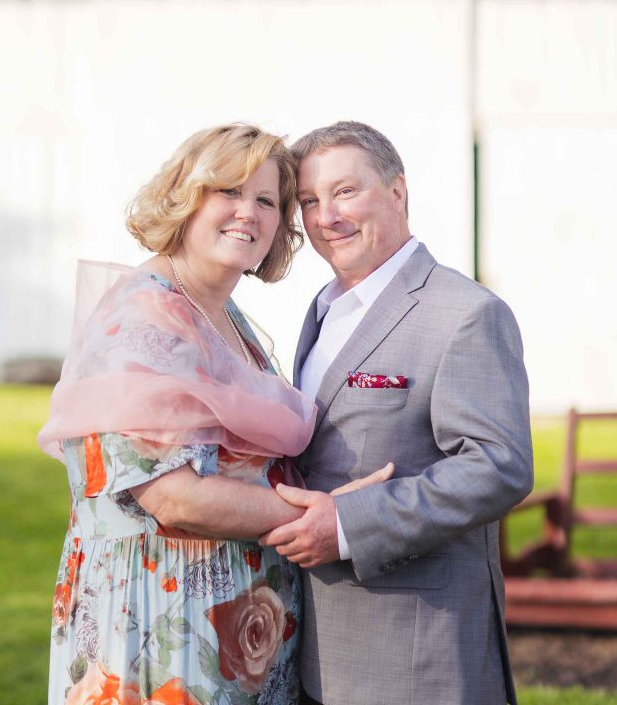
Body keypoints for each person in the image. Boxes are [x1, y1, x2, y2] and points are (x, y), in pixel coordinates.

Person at [38, 123, 392, 705]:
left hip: (233, 628)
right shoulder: (145, 318)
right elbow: (172, 495)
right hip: (160, 629)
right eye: (228, 191)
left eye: (266, 201)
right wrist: (330, 515)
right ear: (185, 195)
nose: (246, 213)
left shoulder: (222, 313)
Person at [260, 121, 534, 705]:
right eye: (308, 201)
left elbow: (498, 466)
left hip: (418, 654)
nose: (325, 216)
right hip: (319, 647)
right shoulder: (325, 309)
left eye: (345, 192)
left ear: (398, 191)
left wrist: (347, 524)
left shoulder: (465, 312)